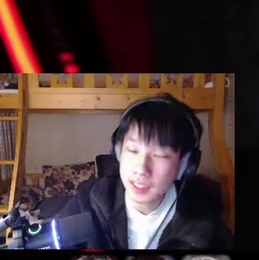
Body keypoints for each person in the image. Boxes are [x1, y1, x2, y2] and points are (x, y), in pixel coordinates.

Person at [54, 95, 233, 250]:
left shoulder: (205, 219)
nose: (141, 169)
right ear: (118, 151)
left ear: (185, 166)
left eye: (160, 155)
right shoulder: (88, 201)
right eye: (133, 150)